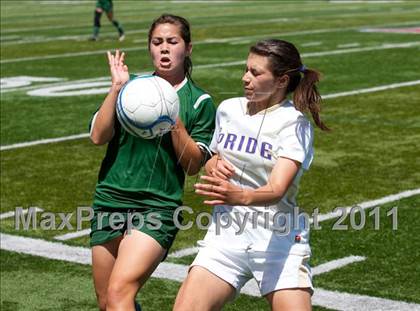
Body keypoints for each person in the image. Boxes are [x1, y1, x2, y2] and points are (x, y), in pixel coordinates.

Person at [173, 39, 329, 311]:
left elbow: (277, 188)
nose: (245, 78)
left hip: (277, 242)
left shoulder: (294, 125)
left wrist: (240, 195)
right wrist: (212, 164)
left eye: (256, 73)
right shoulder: (228, 109)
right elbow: (214, 156)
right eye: (246, 69)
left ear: (281, 81)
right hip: (226, 237)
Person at [89, 14, 216, 311]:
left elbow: (192, 164)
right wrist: (116, 88)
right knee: (107, 300)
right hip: (110, 199)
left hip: (157, 207)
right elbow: (98, 136)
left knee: (120, 291)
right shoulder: (132, 88)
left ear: (188, 48)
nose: (164, 48)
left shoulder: (200, 101)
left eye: (172, 42)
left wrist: (173, 116)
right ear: (149, 48)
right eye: (157, 42)